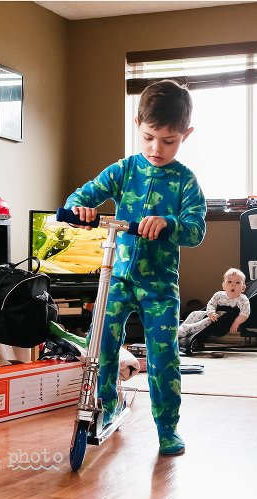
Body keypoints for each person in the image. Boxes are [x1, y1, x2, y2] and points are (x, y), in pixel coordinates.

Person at [64, 79, 206, 456]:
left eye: (168, 140)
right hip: (117, 280)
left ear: (185, 135)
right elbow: (79, 197)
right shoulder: (124, 170)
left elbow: (196, 230)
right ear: (137, 124)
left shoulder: (185, 181)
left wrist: (169, 223)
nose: (156, 149)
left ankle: (167, 428)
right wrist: (82, 207)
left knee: (163, 358)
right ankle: (106, 405)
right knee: (103, 348)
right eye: (148, 138)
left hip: (160, 287)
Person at [177, 268, 251, 342]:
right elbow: (211, 304)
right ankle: (181, 327)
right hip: (212, 314)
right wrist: (211, 312)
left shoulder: (242, 299)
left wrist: (236, 322)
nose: (233, 284)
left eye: (238, 282)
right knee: (195, 313)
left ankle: (185, 330)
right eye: (229, 282)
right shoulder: (218, 295)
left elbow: (245, 313)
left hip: (220, 322)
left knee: (207, 321)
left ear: (243, 288)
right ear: (223, 286)